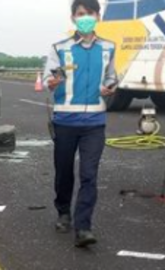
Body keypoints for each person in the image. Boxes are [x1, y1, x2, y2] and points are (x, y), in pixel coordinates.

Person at [43, 0, 117, 248]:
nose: (85, 17)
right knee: (64, 172)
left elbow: (112, 78)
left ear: (98, 16)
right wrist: (51, 82)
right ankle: (63, 212)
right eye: (80, 14)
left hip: (95, 123)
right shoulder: (60, 48)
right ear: (73, 18)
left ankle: (83, 227)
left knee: (89, 175)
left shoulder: (109, 48)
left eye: (90, 13)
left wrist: (110, 89)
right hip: (65, 121)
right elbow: (47, 78)